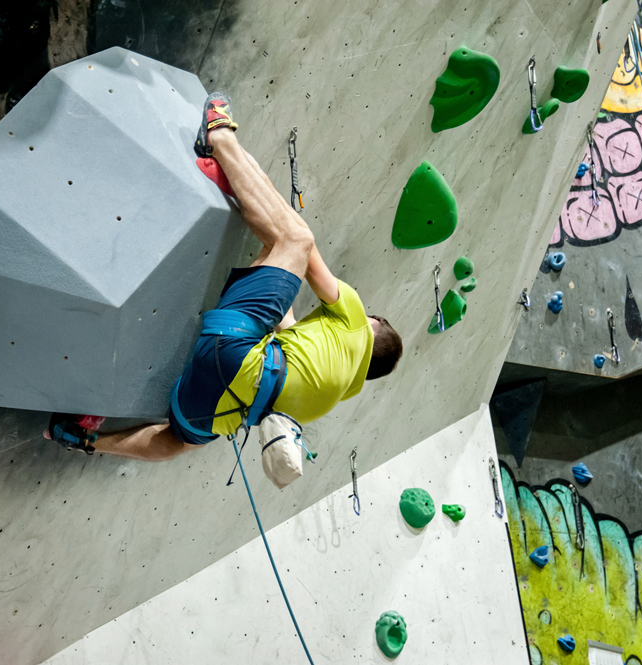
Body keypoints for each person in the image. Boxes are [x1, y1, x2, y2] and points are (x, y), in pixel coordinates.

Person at [48, 93, 402, 461]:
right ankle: (81, 437)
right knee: (180, 441)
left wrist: (263, 198)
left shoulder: (356, 321)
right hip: (217, 408)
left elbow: (306, 253)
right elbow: (285, 320)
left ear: (374, 324)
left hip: (233, 349)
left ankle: (220, 139)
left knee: (296, 239)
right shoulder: (328, 394)